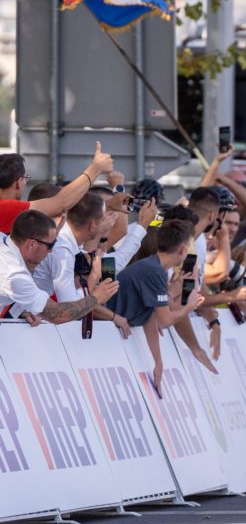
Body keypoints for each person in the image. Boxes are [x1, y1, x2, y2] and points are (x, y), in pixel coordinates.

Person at [108, 220, 206, 391]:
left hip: (112, 330)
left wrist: (158, 362)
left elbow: (151, 318)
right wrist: (189, 307)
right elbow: (165, 320)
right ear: (182, 250)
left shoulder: (156, 268)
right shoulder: (154, 270)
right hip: (106, 328)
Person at [0, 210, 118, 325]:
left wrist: (22, 311)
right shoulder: (15, 275)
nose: (52, 251)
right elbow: (58, 315)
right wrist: (96, 297)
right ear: (32, 245)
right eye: (50, 245)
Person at [0, 144, 115, 233]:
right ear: (18, 183)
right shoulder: (6, 208)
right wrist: (95, 169)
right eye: (26, 177)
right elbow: (60, 203)